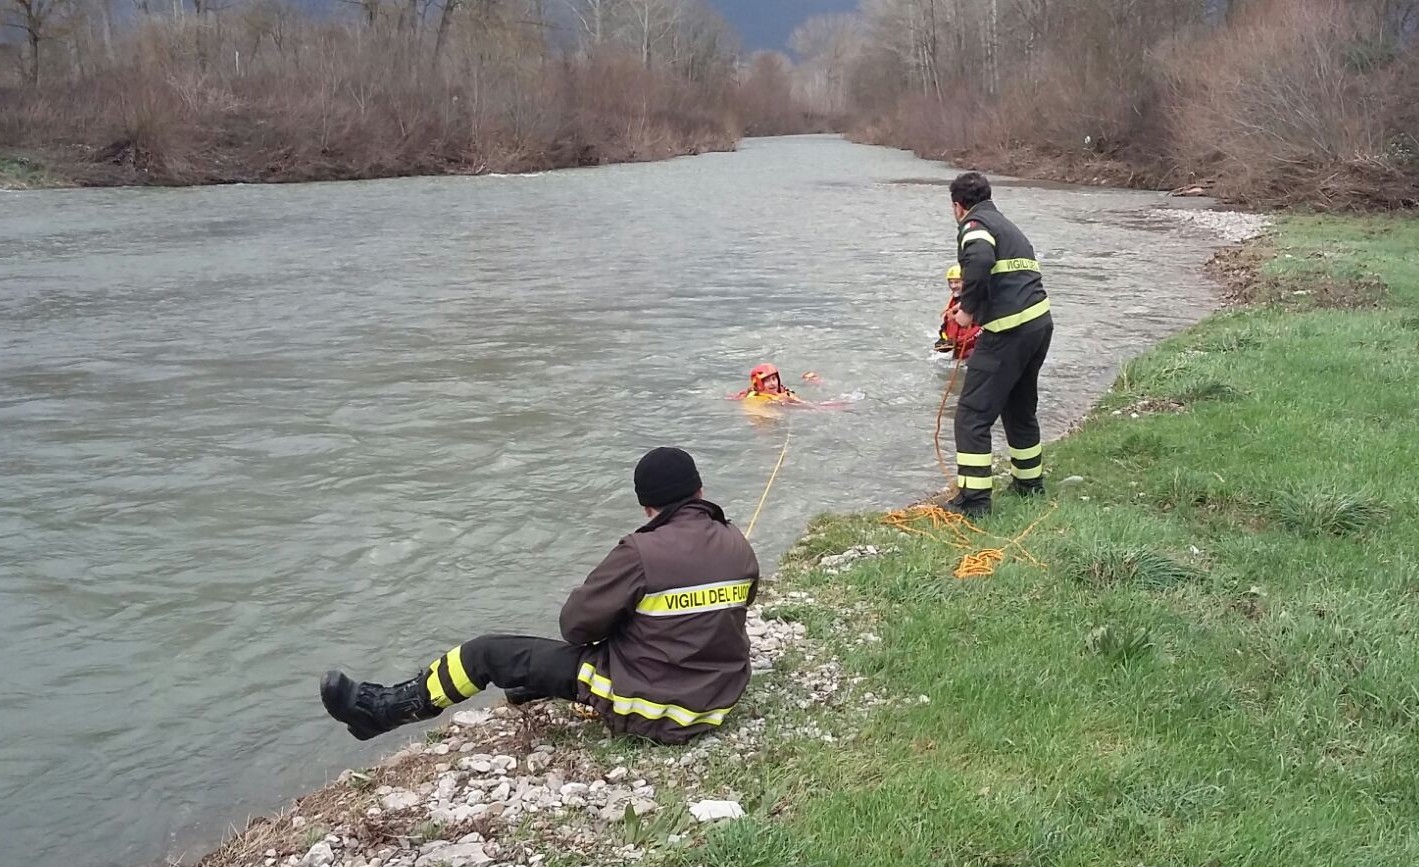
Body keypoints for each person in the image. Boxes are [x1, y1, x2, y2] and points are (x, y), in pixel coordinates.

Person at [320, 447, 760, 746]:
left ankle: (386, 710)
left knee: (487, 653)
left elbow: (575, 626)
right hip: (718, 697)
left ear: (647, 507)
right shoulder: (737, 541)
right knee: (567, 658)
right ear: (700, 491)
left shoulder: (640, 552)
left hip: (653, 708)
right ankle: (529, 685)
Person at [944, 171, 1053, 517]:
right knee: (1019, 409)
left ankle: (974, 503)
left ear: (958, 207)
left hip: (1008, 330)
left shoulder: (975, 226)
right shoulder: (1006, 225)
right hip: (1038, 324)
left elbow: (979, 261)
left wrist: (968, 310)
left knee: (971, 415)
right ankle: (1029, 485)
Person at [934, 264, 982, 361]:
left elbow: (981, 328)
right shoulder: (954, 300)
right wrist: (944, 338)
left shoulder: (976, 302)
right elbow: (946, 324)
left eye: (957, 282)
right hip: (959, 351)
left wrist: (957, 342)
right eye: (950, 282)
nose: (953, 286)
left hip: (974, 351)